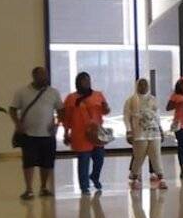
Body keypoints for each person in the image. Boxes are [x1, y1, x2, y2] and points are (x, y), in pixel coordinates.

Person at [9, 66, 63, 200]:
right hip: (28, 134)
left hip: (48, 135)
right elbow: (12, 109)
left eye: (46, 75)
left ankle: (43, 188)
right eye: (41, 75)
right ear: (34, 76)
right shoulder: (22, 92)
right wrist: (18, 124)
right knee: (28, 162)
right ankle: (28, 190)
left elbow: (61, 110)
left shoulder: (53, 92)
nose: (45, 78)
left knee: (47, 163)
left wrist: (57, 124)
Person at [61, 71, 110, 195]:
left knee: (99, 159)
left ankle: (94, 176)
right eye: (83, 81)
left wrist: (106, 108)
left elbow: (105, 111)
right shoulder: (71, 98)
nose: (86, 83)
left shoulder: (98, 95)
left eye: (88, 80)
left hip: (96, 134)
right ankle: (84, 187)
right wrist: (66, 133)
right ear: (78, 82)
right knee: (83, 161)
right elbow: (66, 118)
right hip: (80, 135)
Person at [123, 78, 167, 190]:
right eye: (141, 85)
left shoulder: (153, 99)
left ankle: (161, 178)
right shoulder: (131, 100)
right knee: (139, 156)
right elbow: (126, 117)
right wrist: (128, 131)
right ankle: (135, 178)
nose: (143, 87)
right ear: (137, 86)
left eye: (145, 85)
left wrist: (160, 129)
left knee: (156, 155)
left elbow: (157, 116)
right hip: (139, 134)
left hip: (154, 132)